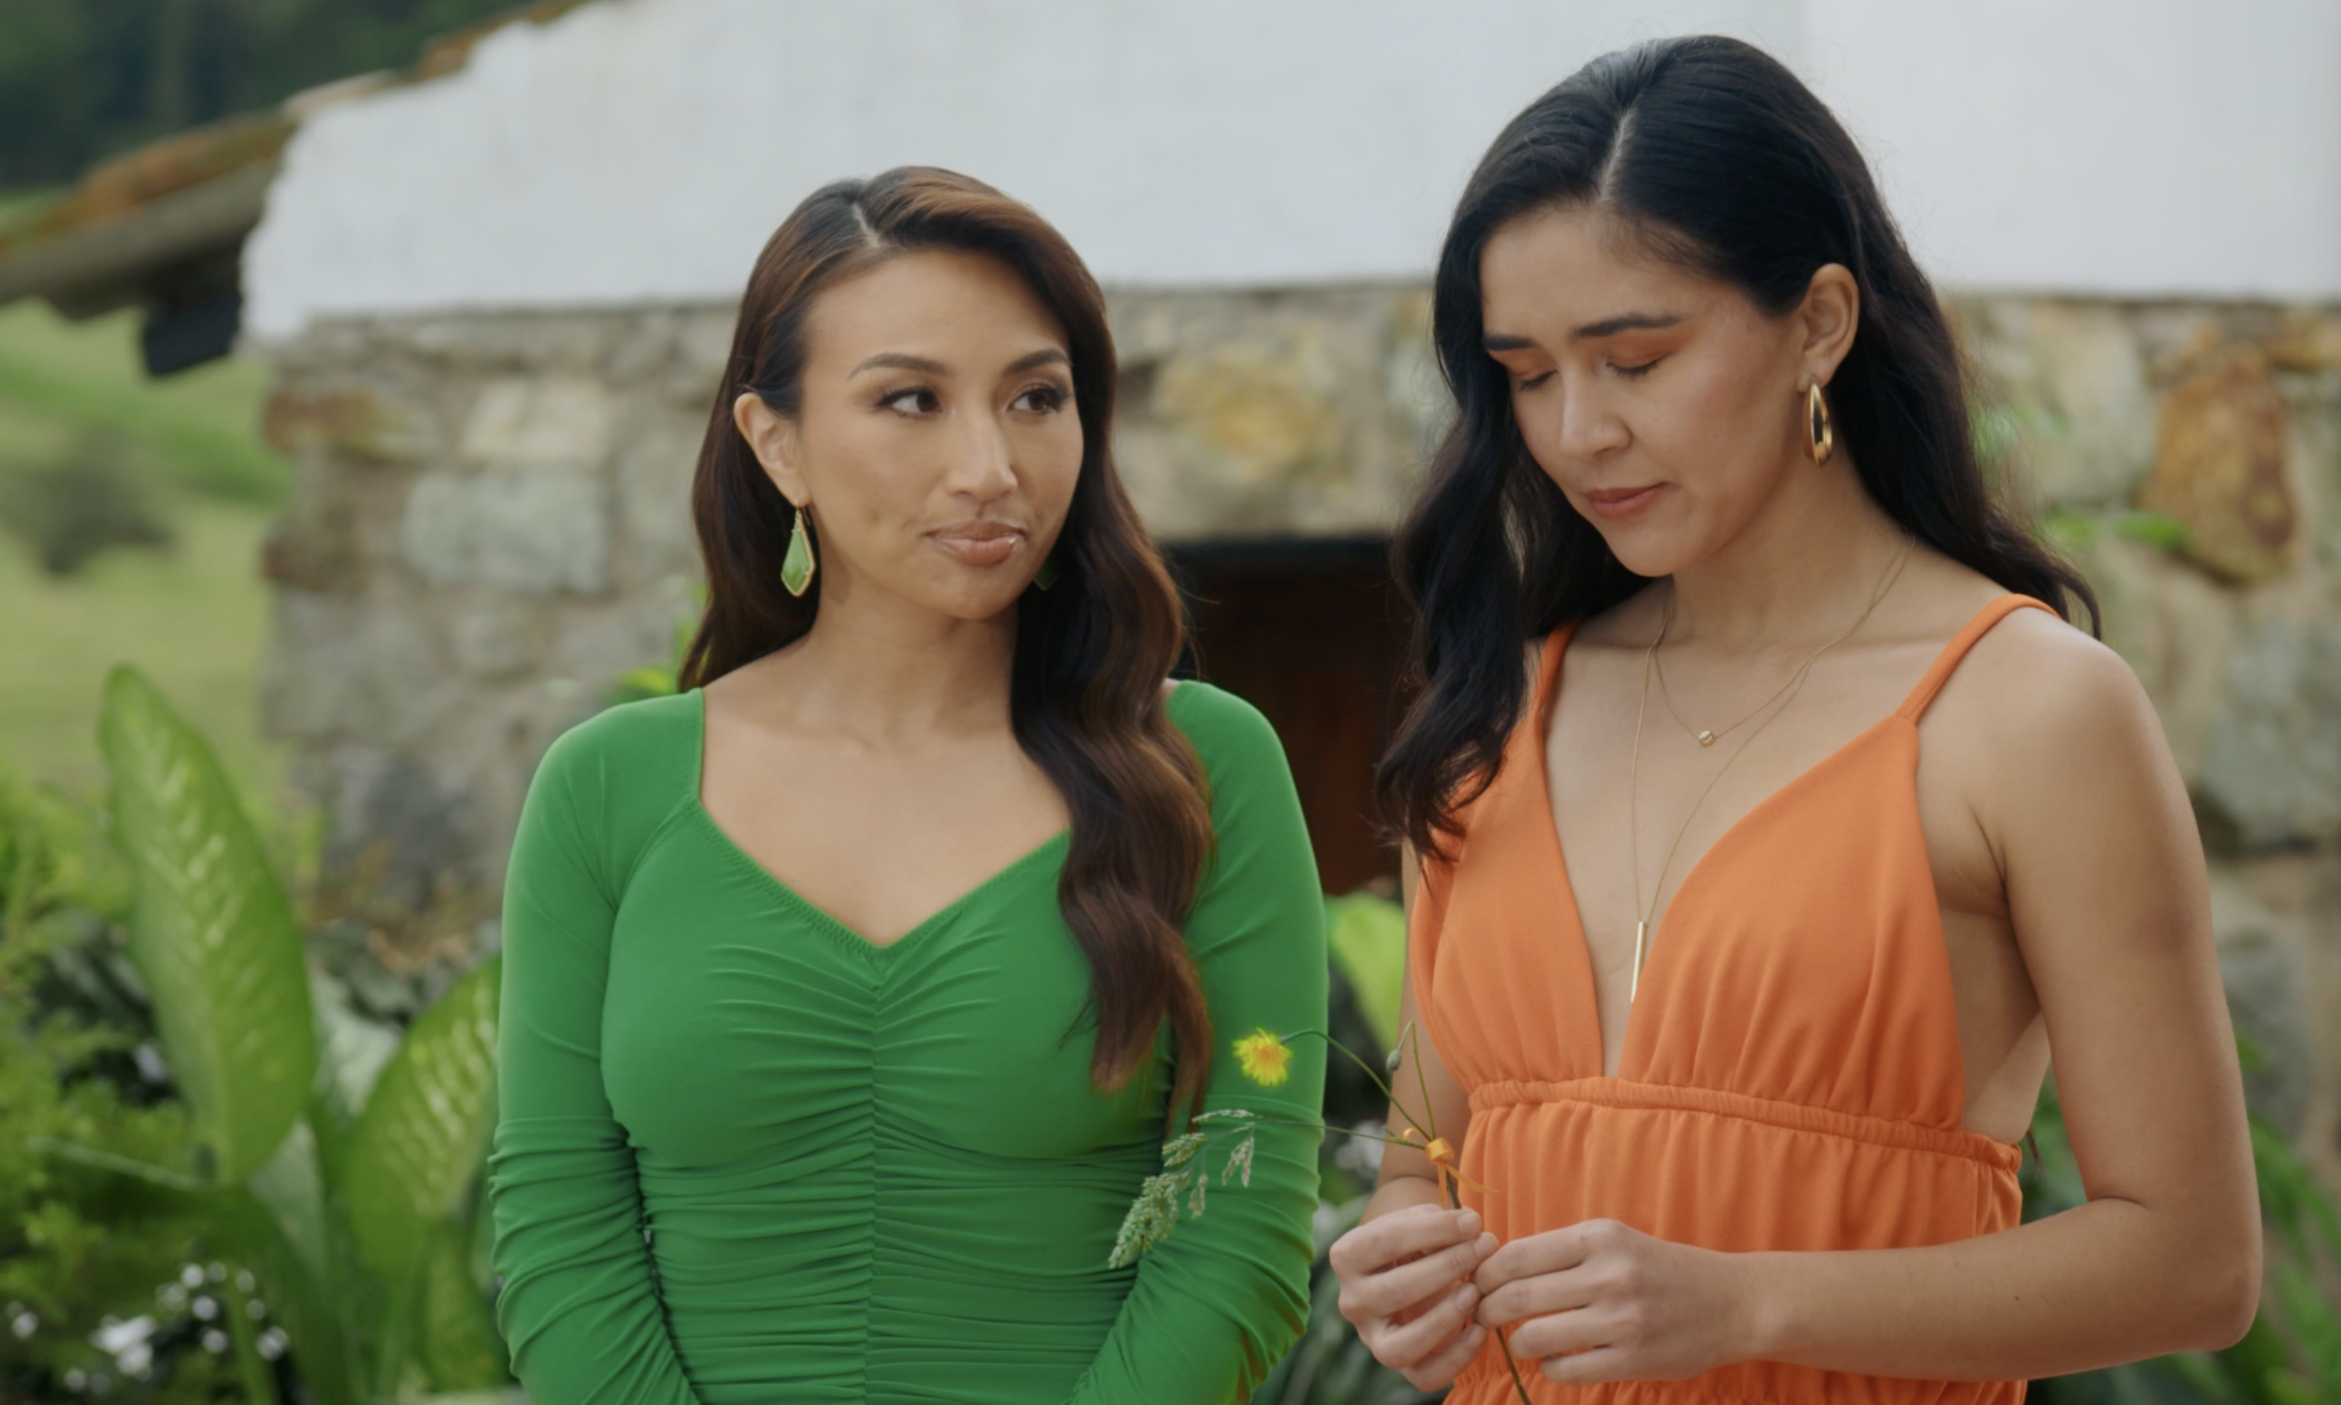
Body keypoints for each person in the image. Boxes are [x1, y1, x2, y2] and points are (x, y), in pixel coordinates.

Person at [1329, 35, 2260, 1404]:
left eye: (1636, 359)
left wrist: (1747, 1301)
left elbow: (2192, 1261)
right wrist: (1402, 1244)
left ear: (1819, 323)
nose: (1578, 431)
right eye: (1526, 374)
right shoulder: (1494, 711)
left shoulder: (2027, 711)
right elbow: (1431, 1156)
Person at [486, 166, 1325, 1405]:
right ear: (777, 444)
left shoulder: (1202, 771)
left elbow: (1241, 1218)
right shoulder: (608, 788)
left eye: (1035, 398)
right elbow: (557, 1224)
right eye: (910, 400)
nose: (989, 465)